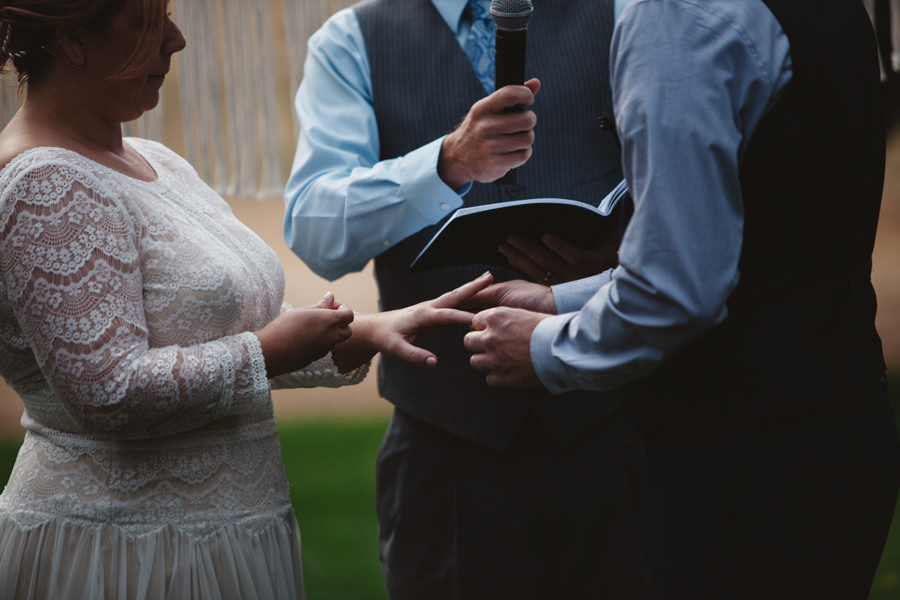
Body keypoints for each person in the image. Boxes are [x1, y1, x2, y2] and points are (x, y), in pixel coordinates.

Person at [0, 1, 487, 598]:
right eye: (150, 22)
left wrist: (371, 329)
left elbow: (229, 329)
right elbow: (108, 391)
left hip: (219, 536)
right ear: (74, 39)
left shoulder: (156, 161)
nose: (176, 41)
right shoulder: (45, 184)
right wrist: (265, 353)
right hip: (127, 549)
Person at [464, 0, 900, 596]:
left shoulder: (674, 16)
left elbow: (678, 292)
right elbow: (759, 243)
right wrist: (563, 301)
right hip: (845, 423)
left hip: (740, 467)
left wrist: (542, 347)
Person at [284, 0, 647, 597]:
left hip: (619, 427)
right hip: (445, 444)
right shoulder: (352, 41)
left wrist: (619, 254)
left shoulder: (624, 12)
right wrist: (446, 162)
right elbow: (315, 229)